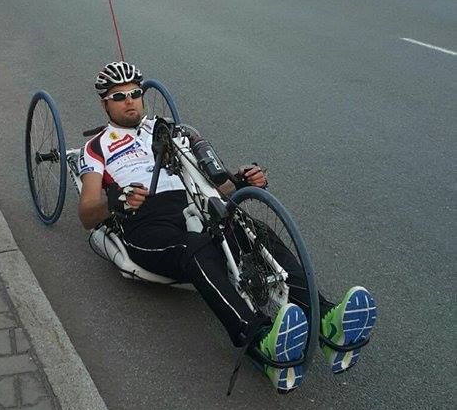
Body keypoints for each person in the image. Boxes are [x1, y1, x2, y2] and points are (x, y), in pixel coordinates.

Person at [78, 61, 377, 393]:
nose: (130, 101)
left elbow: (216, 186)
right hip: (144, 223)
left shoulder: (168, 132)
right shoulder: (97, 148)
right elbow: (88, 213)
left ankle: (327, 320)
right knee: (195, 248)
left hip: (191, 203)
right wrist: (117, 200)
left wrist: (241, 179)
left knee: (251, 231)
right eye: (119, 97)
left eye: (135, 93)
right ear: (104, 103)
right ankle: (259, 339)